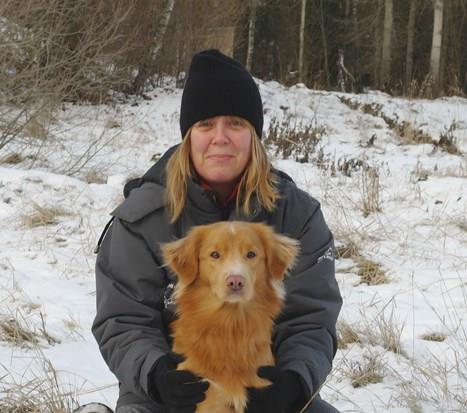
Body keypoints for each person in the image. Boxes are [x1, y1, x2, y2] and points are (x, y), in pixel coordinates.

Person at [92, 49, 342, 413]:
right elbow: (122, 320)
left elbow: (312, 321)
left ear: (254, 136)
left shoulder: (298, 215)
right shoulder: (140, 218)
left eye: (236, 124)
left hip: (266, 394)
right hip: (165, 399)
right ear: (189, 136)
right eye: (206, 125)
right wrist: (156, 374)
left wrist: (295, 381)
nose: (220, 137)